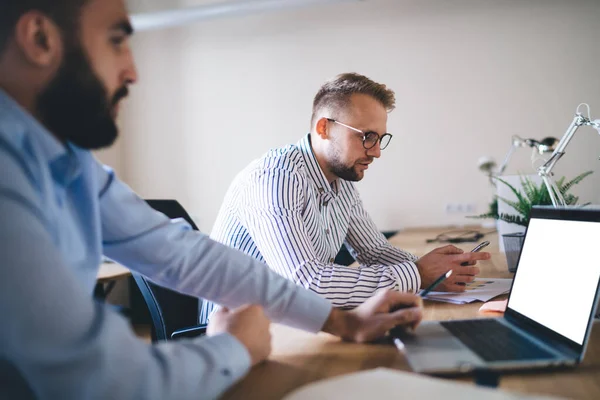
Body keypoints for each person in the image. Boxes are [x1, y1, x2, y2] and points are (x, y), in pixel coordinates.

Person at [0, 2, 424, 399]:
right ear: (40, 38)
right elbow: (102, 379)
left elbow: (185, 251)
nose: (132, 71)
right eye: (116, 40)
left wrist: (340, 321)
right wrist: (235, 348)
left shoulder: (65, 159)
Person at [210, 72, 490, 309]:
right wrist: (417, 273)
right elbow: (308, 284)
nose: (377, 152)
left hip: (288, 317)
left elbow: (375, 251)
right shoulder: (276, 178)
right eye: (367, 137)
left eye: (380, 139)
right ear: (324, 128)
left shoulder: (341, 182)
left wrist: (437, 267)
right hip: (236, 333)